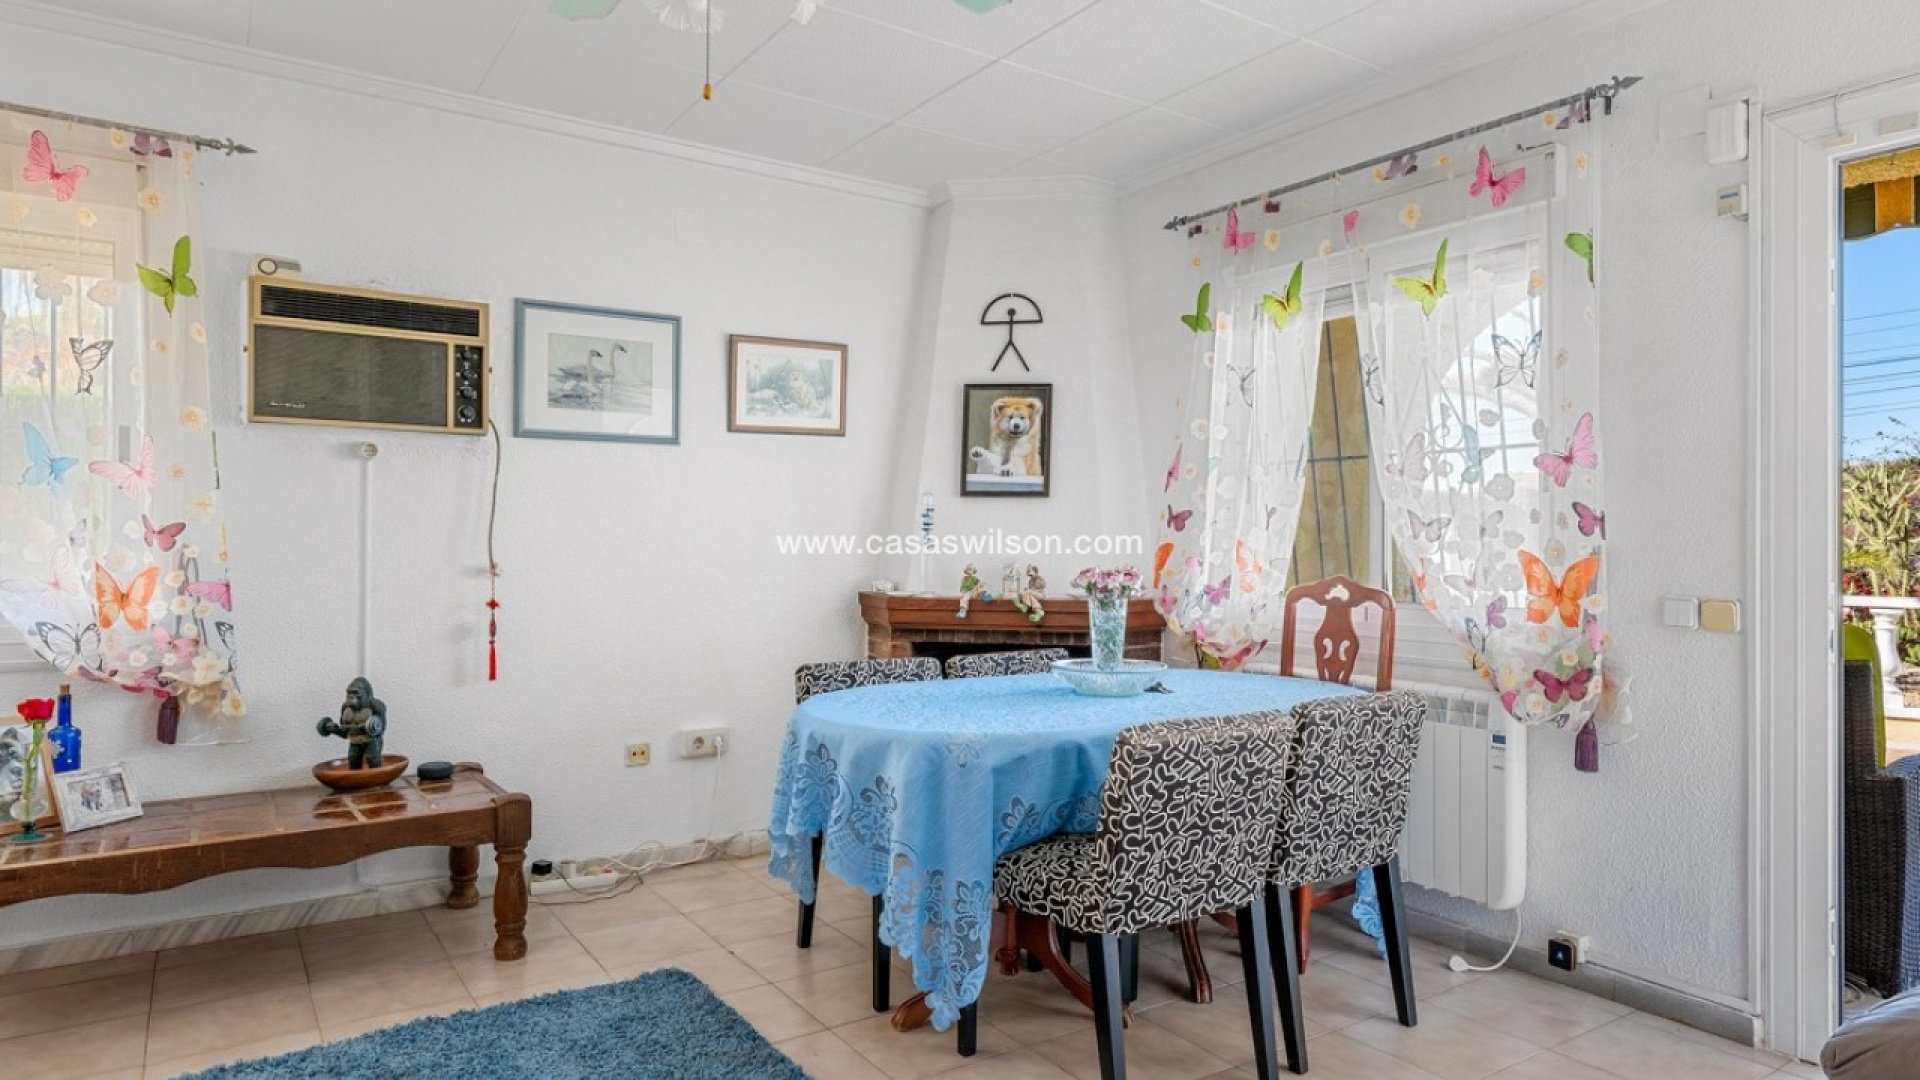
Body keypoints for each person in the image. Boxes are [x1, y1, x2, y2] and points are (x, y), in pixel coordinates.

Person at [317, 677, 387, 769]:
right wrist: (333, 729)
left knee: (372, 759)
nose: (350, 696)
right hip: (355, 741)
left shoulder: (375, 706)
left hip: (372, 741)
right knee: (353, 761)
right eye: (349, 693)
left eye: (355, 693)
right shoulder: (346, 708)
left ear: (365, 693)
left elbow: (380, 729)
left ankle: (378, 777)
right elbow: (345, 733)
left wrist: (366, 728)